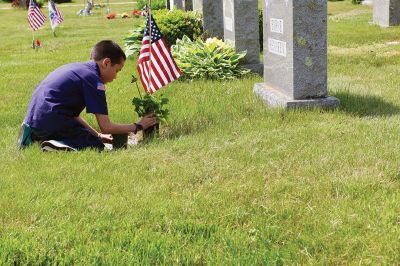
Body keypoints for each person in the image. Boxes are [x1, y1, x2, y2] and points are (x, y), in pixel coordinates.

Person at [19, 40, 157, 151]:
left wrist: (96, 134)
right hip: (51, 120)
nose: (116, 77)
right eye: (117, 70)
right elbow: (107, 127)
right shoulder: (94, 80)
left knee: (93, 137)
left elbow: (73, 114)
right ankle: (56, 145)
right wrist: (138, 126)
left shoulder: (79, 68)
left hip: (34, 120)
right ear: (106, 63)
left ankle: (39, 136)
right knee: (95, 146)